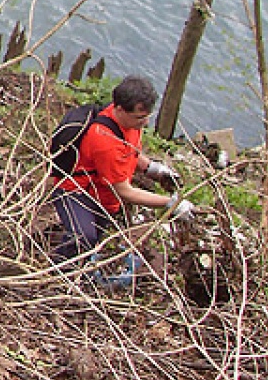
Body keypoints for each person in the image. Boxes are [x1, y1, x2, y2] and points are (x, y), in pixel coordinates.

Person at [51, 74, 195, 263]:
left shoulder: (129, 123)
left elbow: (129, 150)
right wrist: (171, 203)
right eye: (140, 117)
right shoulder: (104, 140)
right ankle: (59, 269)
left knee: (93, 240)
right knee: (83, 238)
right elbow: (124, 191)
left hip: (102, 195)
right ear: (119, 109)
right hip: (76, 192)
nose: (145, 122)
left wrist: (152, 169)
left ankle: (76, 264)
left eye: (147, 116)